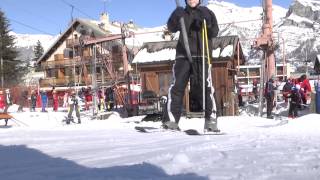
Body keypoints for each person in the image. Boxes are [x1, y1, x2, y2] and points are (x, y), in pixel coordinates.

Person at [165, 0, 219, 131]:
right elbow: (171, 27)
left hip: (202, 55)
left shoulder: (207, 12)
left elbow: (214, 33)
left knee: (205, 88)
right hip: (183, 56)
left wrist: (209, 22)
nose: (192, 0)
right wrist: (175, 16)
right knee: (177, 87)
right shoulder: (181, 13)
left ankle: (210, 121)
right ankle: (171, 121)